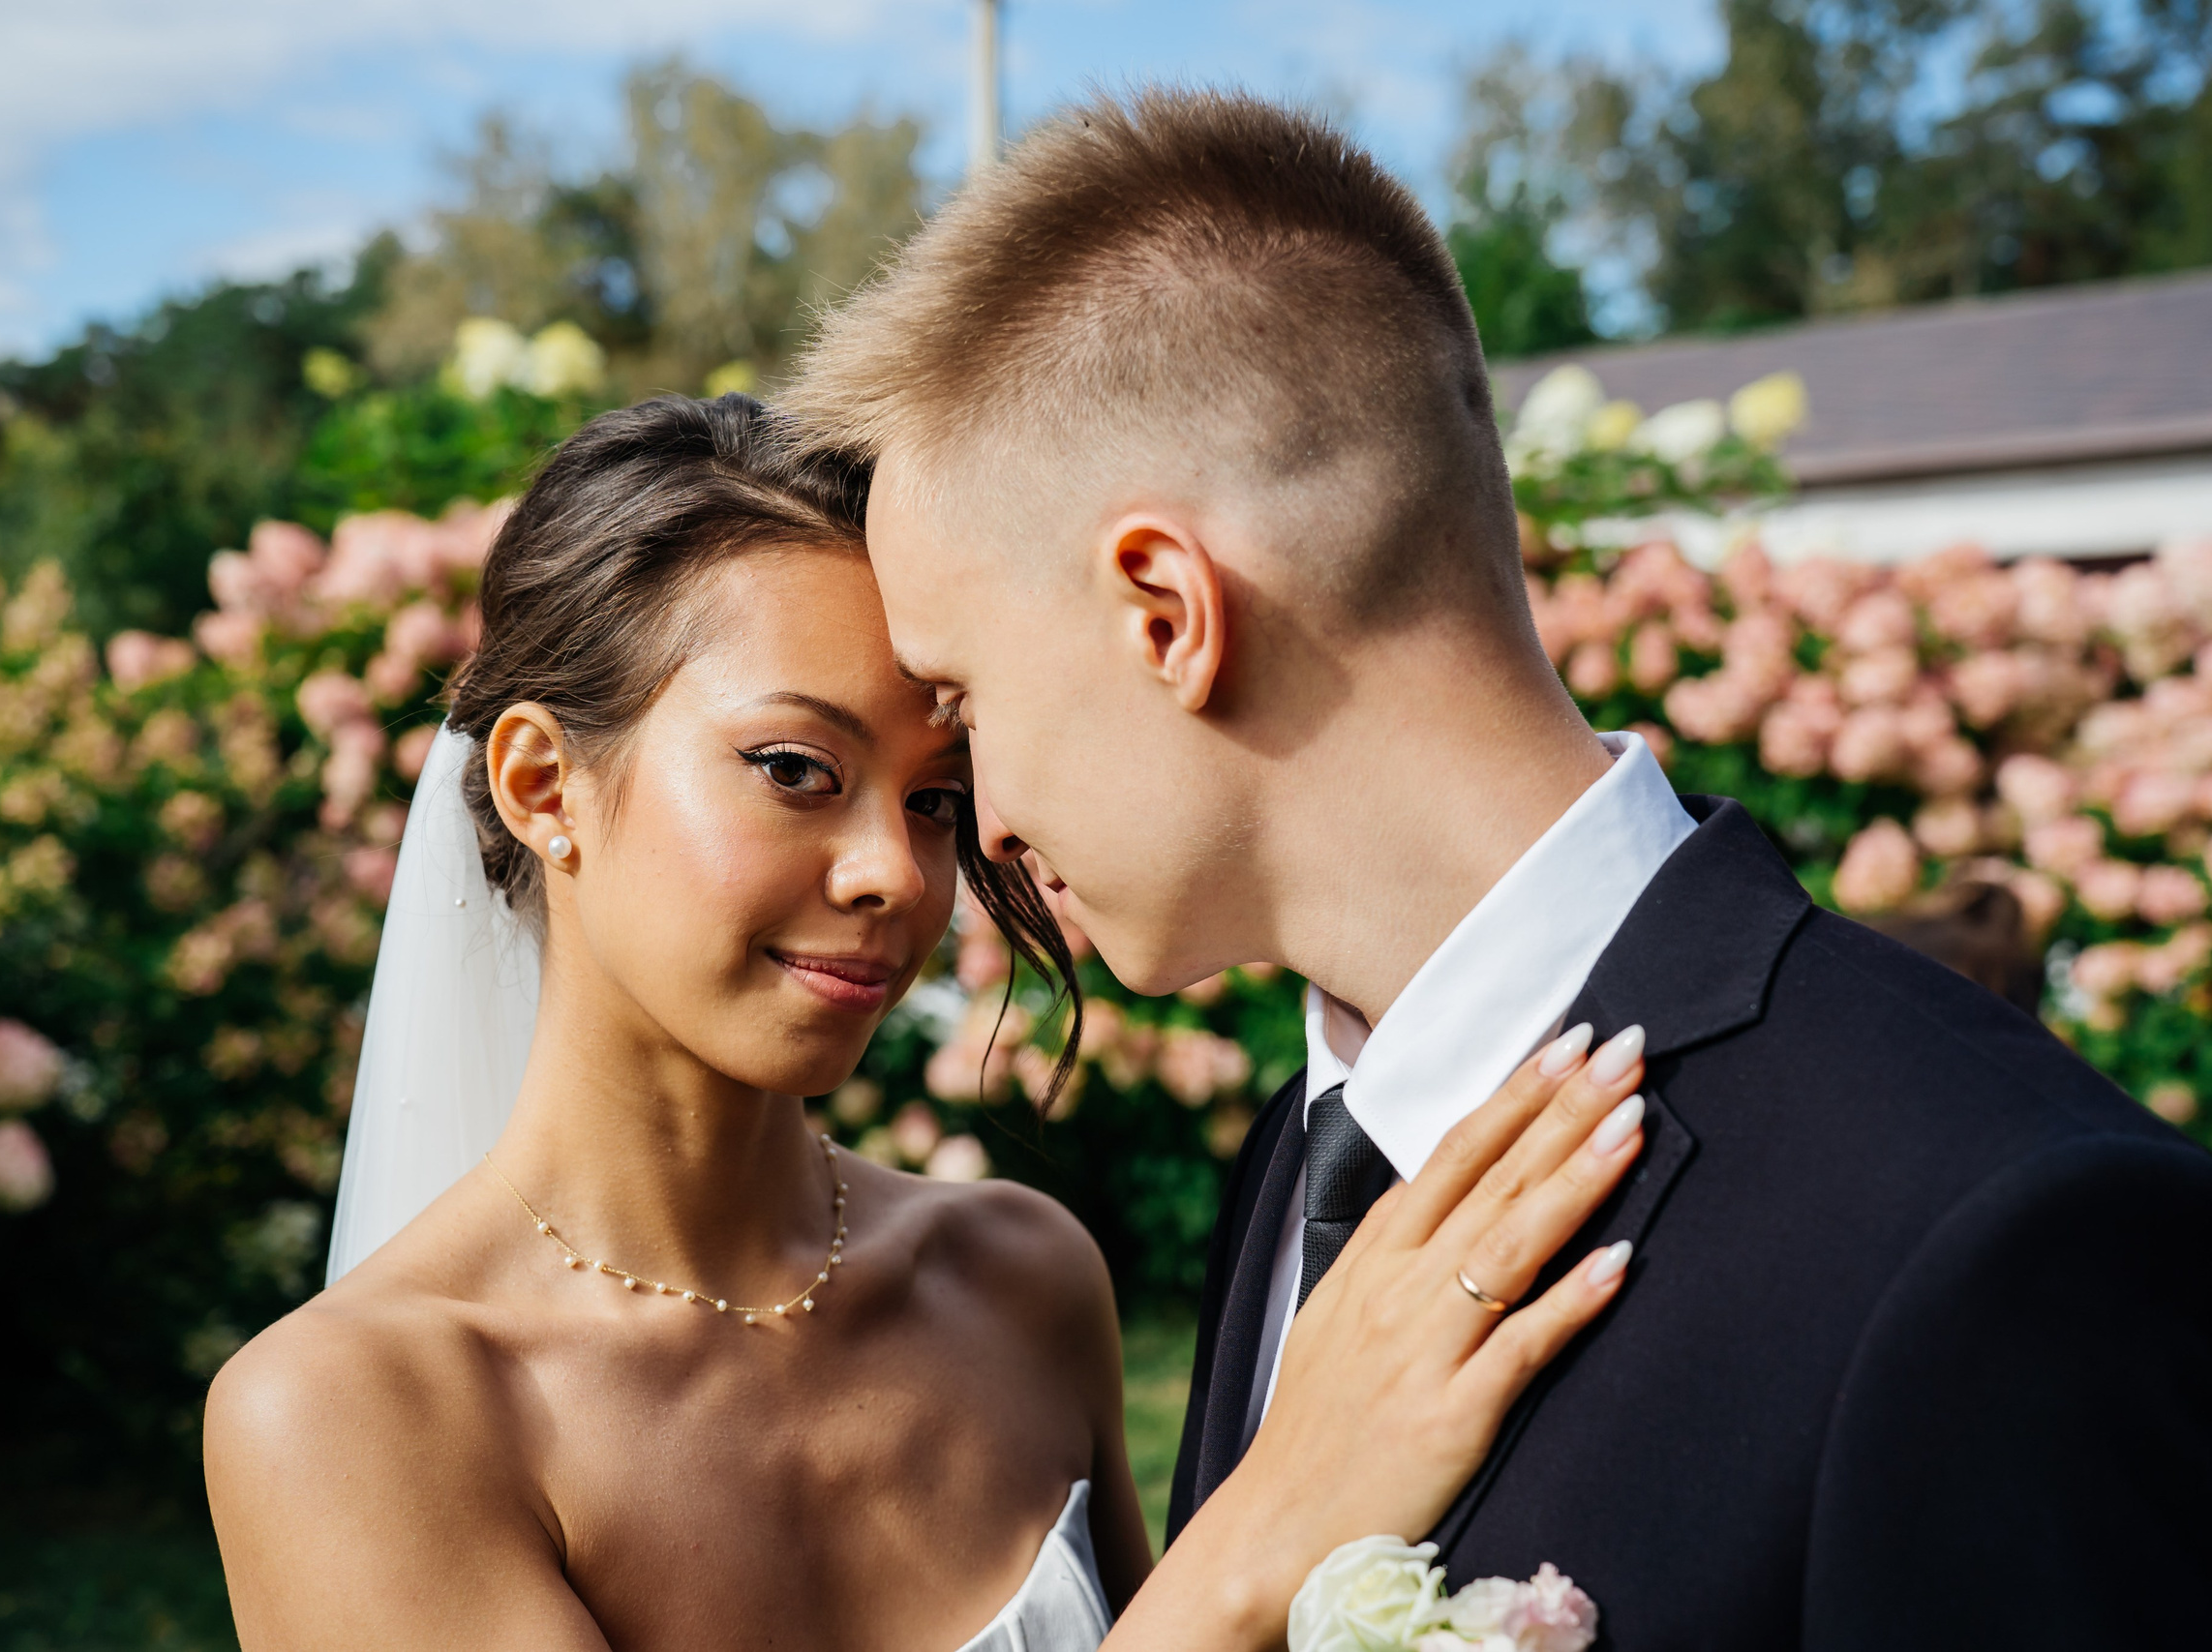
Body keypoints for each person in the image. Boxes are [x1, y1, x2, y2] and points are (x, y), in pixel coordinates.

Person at [785, 86, 2212, 1647]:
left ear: (1166, 614)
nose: (975, 822)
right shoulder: (1306, 1160)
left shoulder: (1990, 1239)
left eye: (966, 698)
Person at [201, 394, 1653, 1651]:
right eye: (794, 767)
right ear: (539, 784)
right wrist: (1266, 1533)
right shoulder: (351, 1420)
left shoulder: (1022, 1277)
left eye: (939, 797)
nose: (896, 874)